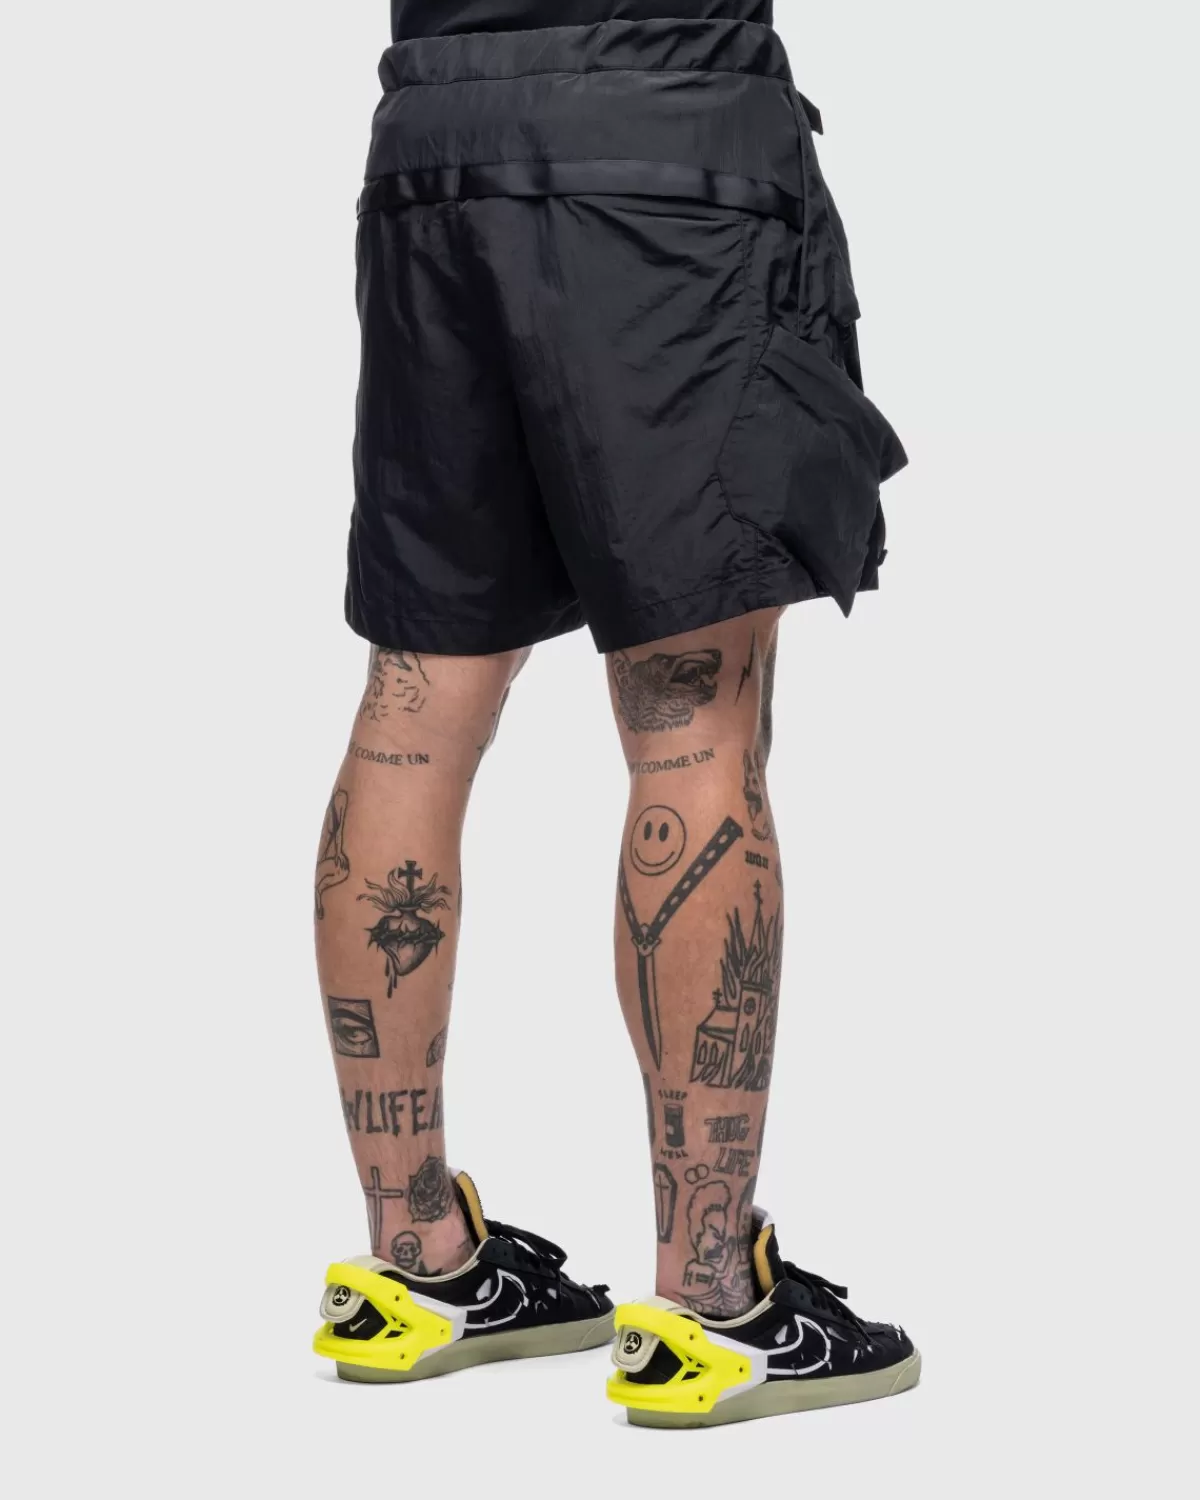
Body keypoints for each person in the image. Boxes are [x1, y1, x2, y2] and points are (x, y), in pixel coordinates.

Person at [311, 0, 918, 1427]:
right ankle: (711, 1303)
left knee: (415, 702)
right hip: (667, 147)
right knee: (691, 723)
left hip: (435, 150)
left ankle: (416, 1266)